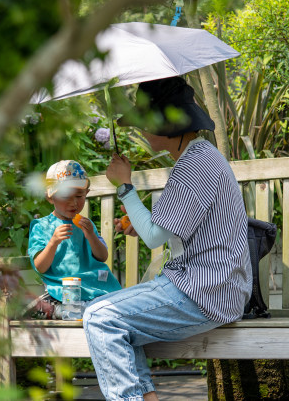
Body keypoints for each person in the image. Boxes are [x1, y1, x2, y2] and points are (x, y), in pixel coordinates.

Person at [82, 76, 252, 401]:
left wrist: (124, 186)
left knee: (99, 316)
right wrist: (138, 221)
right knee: (114, 318)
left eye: (144, 124)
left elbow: (153, 237)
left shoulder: (194, 166)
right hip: (217, 288)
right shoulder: (200, 157)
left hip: (204, 293)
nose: (141, 132)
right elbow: (171, 227)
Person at [26, 160, 122, 319]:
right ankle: (78, 313)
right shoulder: (42, 227)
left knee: (108, 308)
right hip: (62, 292)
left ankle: (89, 312)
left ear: (86, 193)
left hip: (94, 289)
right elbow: (40, 266)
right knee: (36, 309)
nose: (74, 203)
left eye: (79, 196)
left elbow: (102, 256)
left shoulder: (86, 225)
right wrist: (53, 242)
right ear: (50, 197)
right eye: (66, 196)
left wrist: (91, 235)